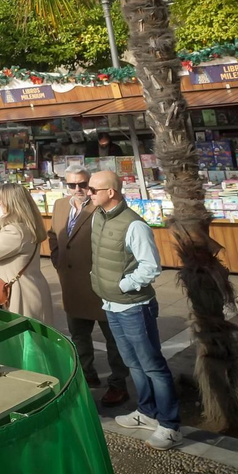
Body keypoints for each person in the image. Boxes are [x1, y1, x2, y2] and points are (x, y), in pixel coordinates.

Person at [88, 170, 180, 451]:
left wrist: (124, 285)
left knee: (152, 365)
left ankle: (170, 425)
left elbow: (150, 266)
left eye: (93, 189)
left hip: (134, 307)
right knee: (134, 363)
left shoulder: (134, 225)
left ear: (110, 192)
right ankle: (147, 411)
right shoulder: (97, 218)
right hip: (111, 304)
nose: (88, 193)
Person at [48, 166, 130, 408]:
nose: (78, 190)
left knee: (114, 338)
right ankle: (87, 374)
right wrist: (57, 259)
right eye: (71, 185)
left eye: (83, 185)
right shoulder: (61, 205)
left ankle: (118, 384)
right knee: (79, 335)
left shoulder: (102, 205)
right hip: (71, 283)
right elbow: (53, 233)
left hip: (100, 283)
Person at [0, 184, 54, 324]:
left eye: (0, 201)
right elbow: (3, 243)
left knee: (26, 339)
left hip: (22, 292)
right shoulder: (23, 224)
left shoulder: (15, 230)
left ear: (9, 203)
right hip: (27, 286)